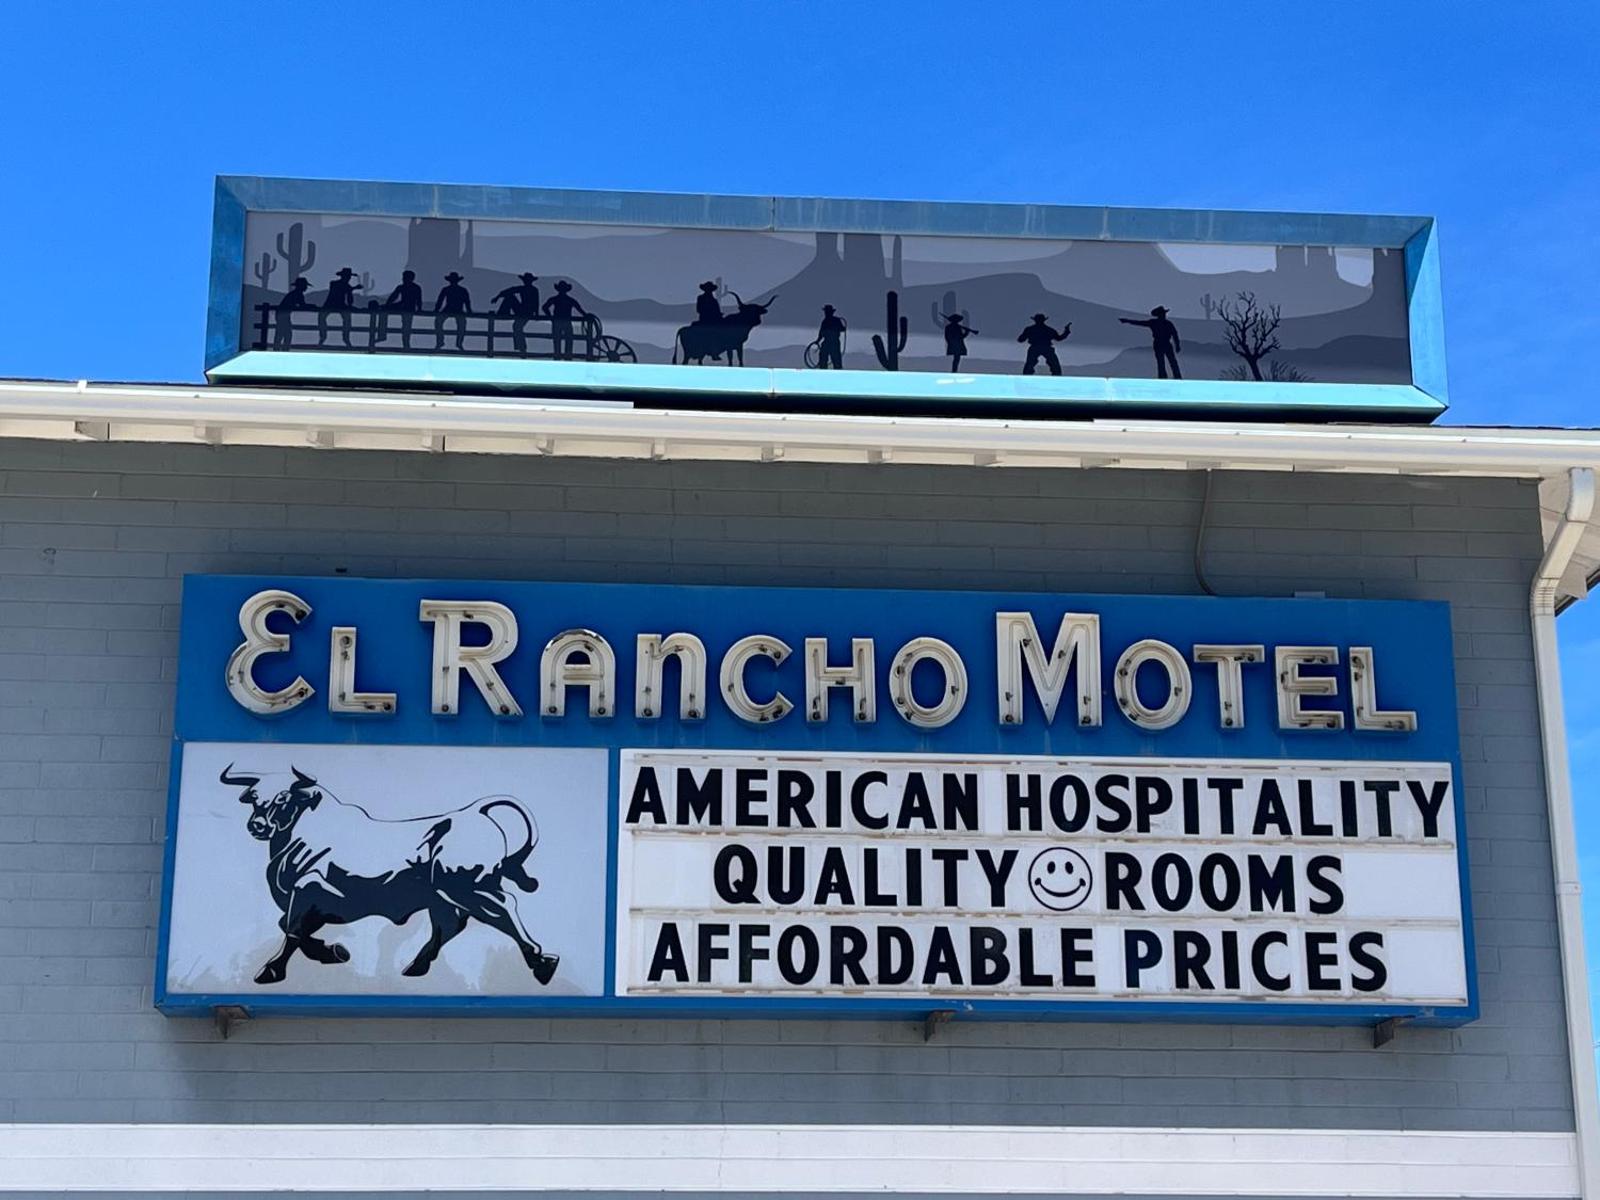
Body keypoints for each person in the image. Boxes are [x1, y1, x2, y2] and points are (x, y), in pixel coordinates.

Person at [1119, 306, 1182, 379]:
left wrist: (1177, 345)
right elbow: (1174, 334)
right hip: (1161, 344)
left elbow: (1175, 334)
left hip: (1162, 344)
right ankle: (1169, 377)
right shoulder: (1164, 323)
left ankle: (1170, 377)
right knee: (1164, 362)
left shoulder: (1161, 323)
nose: (1164, 315)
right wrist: (1177, 345)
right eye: (1163, 314)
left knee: (1167, 362)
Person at [491, 273, 541, 354]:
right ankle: (521, 347)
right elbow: (510, 290)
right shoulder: (531, 289)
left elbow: (536, 303)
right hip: (525, 311)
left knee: (516, 326)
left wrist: (497, 297)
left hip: (526, 312)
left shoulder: (529, 289)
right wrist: (497, 297)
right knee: (517, 326)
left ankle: (522, 347)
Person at [542, 280, 589, 361]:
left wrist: (550, 317)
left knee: (558, 340)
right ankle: (567, 356)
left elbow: (544, 307)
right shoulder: (570, 300)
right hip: (566, 322)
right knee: (568, 339)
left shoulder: (555, 299)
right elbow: (580, 309)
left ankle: (558, 356)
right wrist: (586, 316)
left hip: (557, 322)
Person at [376, 270, 423, 349]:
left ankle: (405, 343)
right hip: (405, 307)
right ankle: (404, 343)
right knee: (406, 325)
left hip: (407, 307)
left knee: (406, 325)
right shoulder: (407, 287)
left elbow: (418, 300)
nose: (403, 279)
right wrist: (387, 305)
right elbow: (393, 297)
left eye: (405, 277)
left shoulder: (413, 288)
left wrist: (387, 306)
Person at [318, 267, 364, 347]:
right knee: (324, 317)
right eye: (347, 276)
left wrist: (351, 291)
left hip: (337, 306)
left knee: (347, 318)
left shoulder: (344, 286)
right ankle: (323, 337)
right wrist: (353, 289)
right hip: (331, 305)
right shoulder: (334, 284)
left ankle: (345, 338)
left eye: (348, 276)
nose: (348, 278)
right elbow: (343, 292)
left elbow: (349, 299)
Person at [434, 272, 472, 351]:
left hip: (451, 309)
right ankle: (457, 343)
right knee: (461, 326)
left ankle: (442, 341)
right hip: (456, 310)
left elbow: (440, 301)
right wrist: (469, 311)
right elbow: (467, 302)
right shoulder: (462, 290)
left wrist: (436, 310)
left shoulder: (447, 289)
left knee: (439, 322)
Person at [273, 277, 310, 349]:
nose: (306, 287)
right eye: (305, 285)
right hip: (283, 315)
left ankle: (278, 349)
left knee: (282, 333)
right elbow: (303, 305)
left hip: (281, 314)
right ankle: (283, 349)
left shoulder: (294, 293)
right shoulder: (298, 294)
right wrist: (311, 306)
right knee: (286, 334)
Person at [815, 304, 846, 369]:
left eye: (826, 312)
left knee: (830, 359)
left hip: (831, 342)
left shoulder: (826, 321)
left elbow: (821, 333)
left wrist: (818, 340)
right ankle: (827, 369)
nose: (826, 313)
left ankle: (825, 369)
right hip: (833, 342)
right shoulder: (834, 320)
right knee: (830, 359)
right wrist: (818, 340)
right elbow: (842, 329)